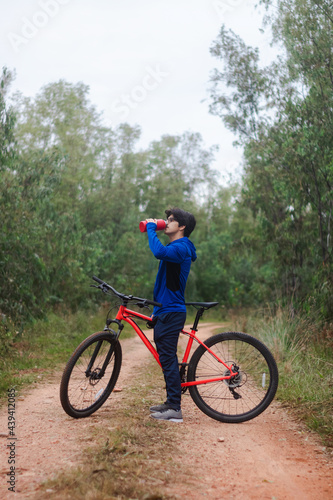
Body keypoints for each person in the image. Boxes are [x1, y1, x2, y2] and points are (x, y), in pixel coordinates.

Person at [145, 208, 197, 423]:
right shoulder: (175, 247)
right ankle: (170, 402)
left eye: (171, 220)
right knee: (167, 359)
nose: (166, 222)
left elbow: (158, 252)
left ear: (182, 226)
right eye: (165, 219)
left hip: (172, 311)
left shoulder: (182, 247)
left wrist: (150, 228)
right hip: (165, 310)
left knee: (167, 358)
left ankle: (175, 408)